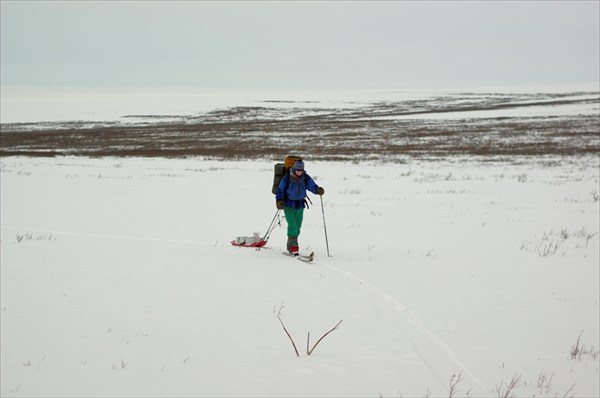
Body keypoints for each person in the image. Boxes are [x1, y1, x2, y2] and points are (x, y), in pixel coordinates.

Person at [275, 160, 324, 254]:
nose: (299, 172)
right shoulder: (287, 177)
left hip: (300, 204)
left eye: (301, 171)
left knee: (298, 225)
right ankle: (292, 247)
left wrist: (317, 190)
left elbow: (311, 185)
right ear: (294, 169)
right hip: (288, 204)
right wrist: (279, 200)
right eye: (297, 170)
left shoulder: (305, 177)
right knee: (292, 225)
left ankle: (293, 245)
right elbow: (280, 189)